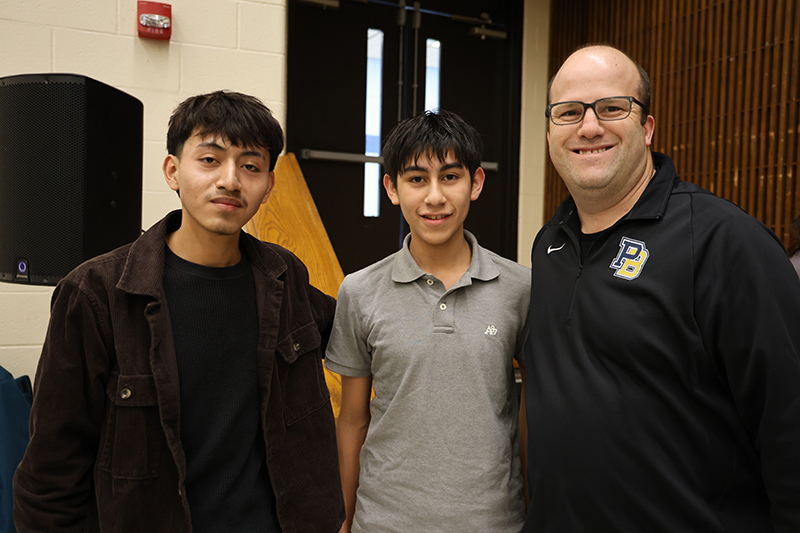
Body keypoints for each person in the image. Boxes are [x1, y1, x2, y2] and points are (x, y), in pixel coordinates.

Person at [13, 91, 345, 533]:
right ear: (172, 171)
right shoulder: (96, 294)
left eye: (250, 166)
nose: (230, 180)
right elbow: (51, 474)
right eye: (210, 159)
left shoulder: (284, 276)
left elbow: (364, 331)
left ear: (268, 185)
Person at [522, 44, 800, 532]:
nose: (589, 127)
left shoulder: (724, 242)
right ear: (549, 133)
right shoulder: (549, 246)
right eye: (568, 113)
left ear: (647, 128)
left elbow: (789, 422)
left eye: (612, 108)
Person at [325, 109, 530, 533]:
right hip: (384, 521)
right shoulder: (360, 291)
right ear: (392, 188)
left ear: (475, 183)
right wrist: (342, 520)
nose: (434, 197)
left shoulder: (520, 288)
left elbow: (529, 414)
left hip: (494, 521)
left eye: (450, 177)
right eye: (417, 179)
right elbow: (352, 418)